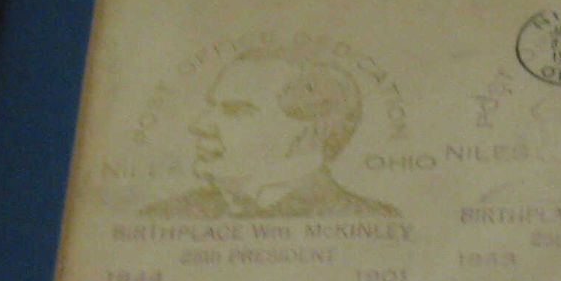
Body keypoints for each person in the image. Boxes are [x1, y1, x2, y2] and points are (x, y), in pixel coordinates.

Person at [145, 51, 399, 219]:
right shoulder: (162, 217)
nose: (199, 125)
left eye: (235, 110)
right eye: (211, 107)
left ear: (307, 133)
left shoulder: (372, 220)